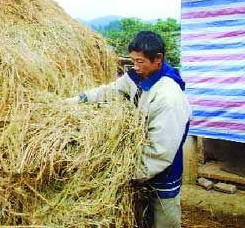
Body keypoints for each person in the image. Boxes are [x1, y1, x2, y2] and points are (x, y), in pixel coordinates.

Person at [66, 30, 191, 227]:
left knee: (163, 219)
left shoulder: (168, 97)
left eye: (140, 61)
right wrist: (81, 99)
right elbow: (112, 90)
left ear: (158, 59)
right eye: (133, 60)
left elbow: (161, 150)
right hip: (140, 163)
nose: (136, 66)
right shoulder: (137, 76)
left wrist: (127, 175)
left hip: (162, 170)